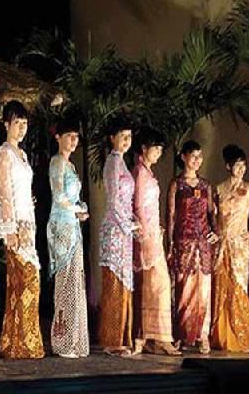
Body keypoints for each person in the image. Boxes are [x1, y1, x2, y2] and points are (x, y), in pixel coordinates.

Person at [0, 100, 44, 359]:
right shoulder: (4, 154)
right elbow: (4, 192)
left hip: (28, 222)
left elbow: (20, 189)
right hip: (15, 226)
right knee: (25, 282)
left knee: (24, 284)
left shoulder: (22, 155)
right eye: (17, 123)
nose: (22, 128)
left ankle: (17, 343)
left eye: (25, 123)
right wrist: (9, 229)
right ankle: (21, 343)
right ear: (6, 125)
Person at [211, 144, 249, 353]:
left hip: (240, 247)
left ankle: (239, 336)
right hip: (222, 246)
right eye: (237, 165)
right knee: (221, 288)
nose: (242, 169)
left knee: (238, 287)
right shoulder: (219, 189)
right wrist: (215, 234)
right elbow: (214, 217)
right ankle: (220, 335)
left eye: (244, 165)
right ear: (228, 166)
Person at [131, 127, 181, 356]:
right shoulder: (141, 173)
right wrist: (146, 232)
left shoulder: (146, 172)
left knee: (154, 285)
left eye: (161, 150)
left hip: (152, 233)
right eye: (156, 149)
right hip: (147, 235)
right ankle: (160, 338)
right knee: (158, 284)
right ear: (144, 148)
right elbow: (139, 207)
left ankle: (152, 337)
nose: (158, 153)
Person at [166, 140, 217, 354]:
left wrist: (216, 231)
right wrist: (169, 244)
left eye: (200, 156)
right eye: (193, 156)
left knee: (203, 290)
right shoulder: (177, 184)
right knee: (183, 290)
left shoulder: (206, 185)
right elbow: (170, 215)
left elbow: (212, 212)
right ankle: (181, 334)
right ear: (184, 157)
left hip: (203, 244)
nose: (197, 160)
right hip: (183, 242)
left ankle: (202, 336)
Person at [46, 116, 90, 358]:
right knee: (65, 282)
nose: (73, 141)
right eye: (69, 136)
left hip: (72, 226)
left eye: (76, 137)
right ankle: (62, 341)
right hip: (61, 227)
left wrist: (80, 210)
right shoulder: (57, 162)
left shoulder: (71, 166)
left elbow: (72, 199)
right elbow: (59, 197)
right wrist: (76, 210)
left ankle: (74, 340)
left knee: (75, 282)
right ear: (58, 138)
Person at [97, 116, 137, 356]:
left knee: (123, 283)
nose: (126, 141)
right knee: (114, 282)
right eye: (122, 136)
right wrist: (128, 225)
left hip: (124, 231)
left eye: (129, 137)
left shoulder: (121, 162)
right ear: (112, 138)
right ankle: (112, 340)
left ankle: (121, 337)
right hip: (115, 230)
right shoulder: (112, 163)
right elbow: (113, 200)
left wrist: (133, 223)